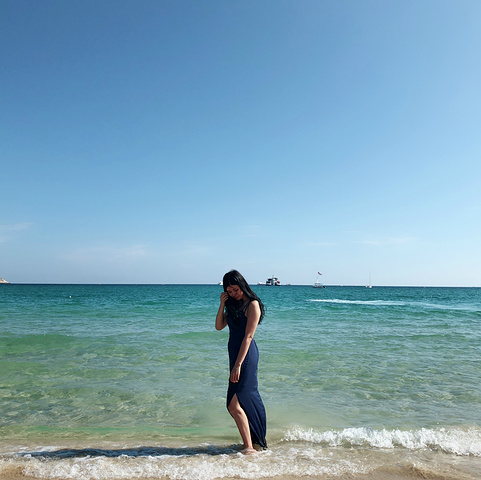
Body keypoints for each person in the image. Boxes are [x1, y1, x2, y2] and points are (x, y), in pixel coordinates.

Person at [215, 269, 267, 453]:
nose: (233, 294)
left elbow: (248, 337)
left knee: (235, 402)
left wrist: (238, 365)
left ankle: (249, 447)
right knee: (236, 402)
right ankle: (252, 443)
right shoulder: (233, 305)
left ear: (242, 285)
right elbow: (219, 326)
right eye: (229, 291)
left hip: (246, 356)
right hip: (234, 355)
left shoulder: (253, 305)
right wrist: (222, 304)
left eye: (236, 290)